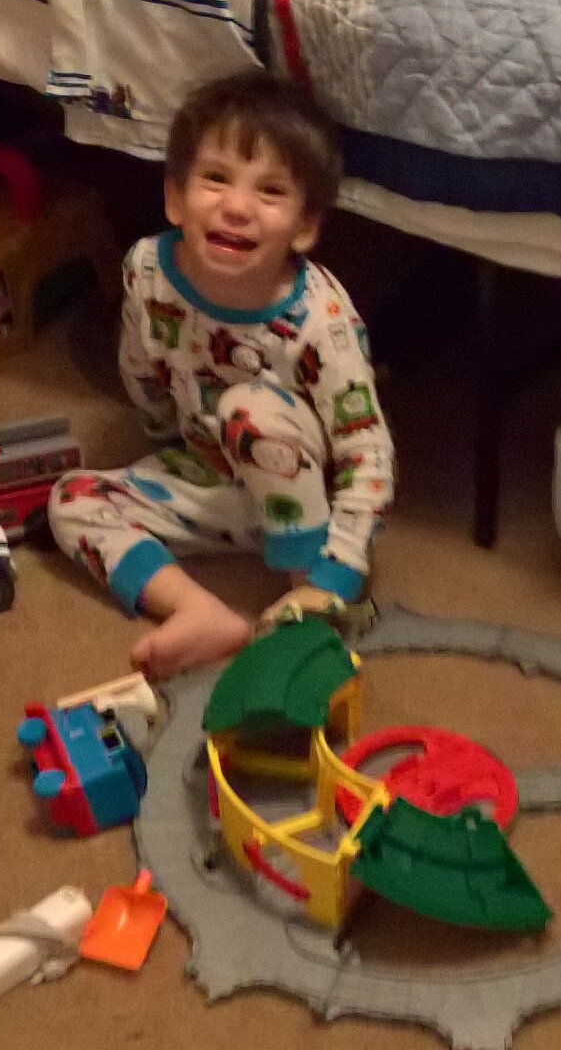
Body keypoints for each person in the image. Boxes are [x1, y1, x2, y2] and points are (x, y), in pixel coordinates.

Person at [49, 69, 395, 678]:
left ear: (305, 227)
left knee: (250, 409)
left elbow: (366, 453)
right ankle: (197, 611)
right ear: (175, 198)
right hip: (209, 478)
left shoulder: (322, 320)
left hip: (308, 496)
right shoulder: (146, 271)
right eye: (215, 179)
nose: (236, 207)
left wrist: (337, 571)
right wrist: (162, 437)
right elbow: (142, 369)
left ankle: (310, 599)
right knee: (69, 500)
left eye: (270, 191)